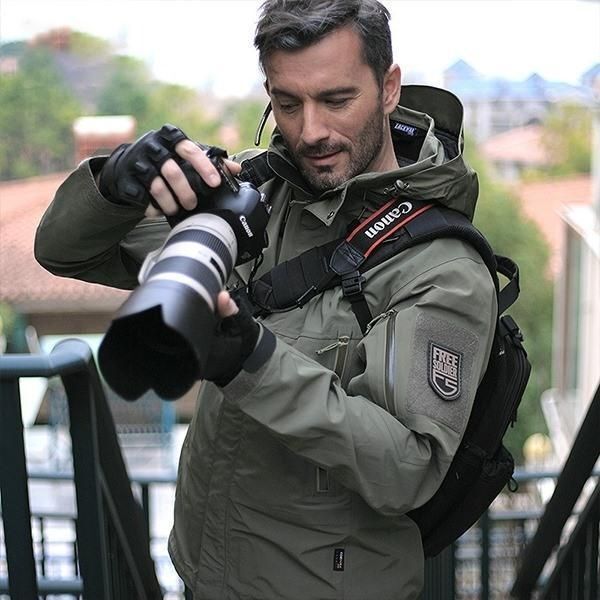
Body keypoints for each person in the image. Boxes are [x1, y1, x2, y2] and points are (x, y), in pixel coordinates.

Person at [35, 0, 497, 597]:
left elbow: (408, 470)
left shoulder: (441, 266)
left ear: (388, 88)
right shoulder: (255, 191)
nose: (311, 132)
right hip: (204, 574)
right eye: (288, 102)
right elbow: (65, 254)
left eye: (336, 100)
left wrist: (250, 360)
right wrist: (114, 185)